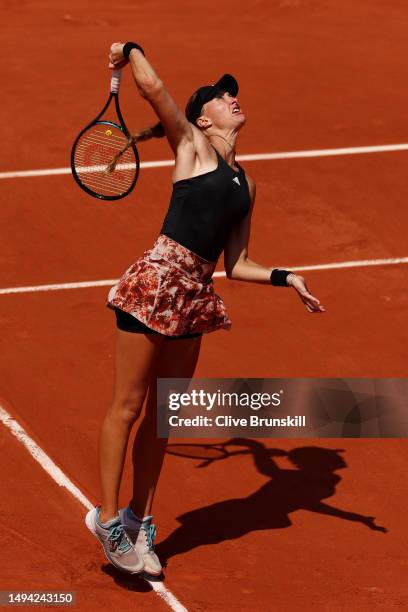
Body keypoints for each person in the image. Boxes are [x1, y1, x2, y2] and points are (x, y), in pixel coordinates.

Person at [85, 40, 325, 578]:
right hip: (156, 284)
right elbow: (152, 88)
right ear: (201, 115)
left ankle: (138, 518)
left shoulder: (248, 182)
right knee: (128, 407)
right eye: (220, 96)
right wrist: (128, 48)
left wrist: (288, 278)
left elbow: (236, 263)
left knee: (163, 417)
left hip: (193, 296)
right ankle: (105, 518)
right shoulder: (192, 145)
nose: (231, 98)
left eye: (232, 94)